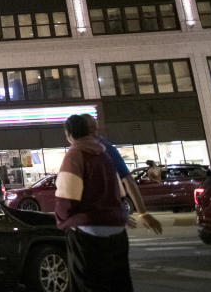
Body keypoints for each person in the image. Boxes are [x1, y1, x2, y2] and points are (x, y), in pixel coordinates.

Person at [55, 114, 132, 292]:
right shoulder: (104, 154)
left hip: (89, 233)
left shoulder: (75, 154)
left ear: (69, 134)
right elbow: (119, 192)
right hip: (117, 232)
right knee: (118, 284)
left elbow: (66, 198)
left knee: (88, 285)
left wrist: (64, 222)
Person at [80, 114, 161, 235]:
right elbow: (127, 181)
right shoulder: (103, 149)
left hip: (92, 226)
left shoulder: (86, 151)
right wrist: (142, 213)